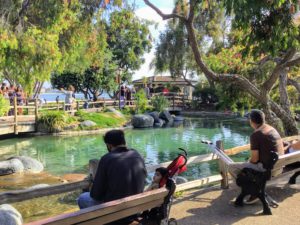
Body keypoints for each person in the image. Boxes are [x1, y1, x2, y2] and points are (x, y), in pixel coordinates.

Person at [77, 129, 147, 209]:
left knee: (82, 198)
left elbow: (96, 195)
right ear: (124, 142)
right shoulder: (137, 155)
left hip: (114, 211)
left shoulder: (106, 159)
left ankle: (98, 221)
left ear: (109, 145)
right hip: (136, 208)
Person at [228, 109, 284, 204]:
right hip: (279, 166)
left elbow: (254, 159)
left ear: (251, 121)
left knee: (231, 166)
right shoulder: (271, 129)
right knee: (245, 166)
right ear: (263, 119)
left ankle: (252, 191)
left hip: (266, 170)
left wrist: (247, 162)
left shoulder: (256, 134)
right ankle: (254, 189)